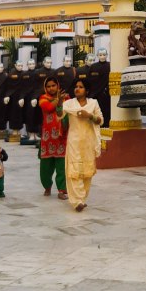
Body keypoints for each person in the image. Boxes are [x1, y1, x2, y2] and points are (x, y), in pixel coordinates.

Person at [60, 78, 103, 211]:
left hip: (88, 142)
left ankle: (82, 199)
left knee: (87, 172)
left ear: (87, 90)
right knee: (74, 171)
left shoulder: (93, 103)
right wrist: (57, 104)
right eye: (76, 87)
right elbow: (59, 115)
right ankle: (76, 201)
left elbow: (100, 120)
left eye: (81, 87)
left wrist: (89, 116)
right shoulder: (69, 104)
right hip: (74, 142)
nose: (77, 89)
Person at [38, 75, 68, 198]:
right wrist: (58, 100)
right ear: (45, 88)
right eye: (48, 86)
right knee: (45, 167)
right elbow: (49, 108)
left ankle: (62, 190)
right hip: (47, 138)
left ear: (58, 86)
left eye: (53, 85)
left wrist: (61, 100)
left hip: (62, 137)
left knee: (62, 166)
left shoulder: (66, 98)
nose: (51, 88)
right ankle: (47, 186)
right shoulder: (43, 98)